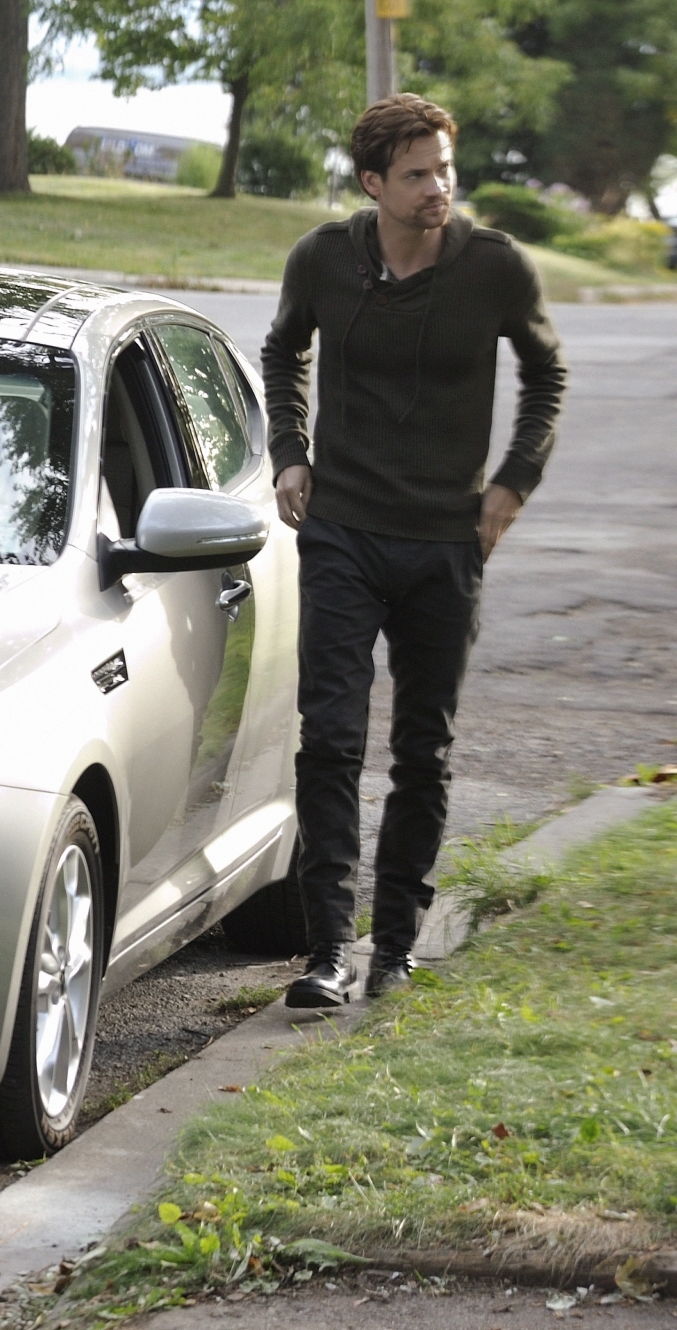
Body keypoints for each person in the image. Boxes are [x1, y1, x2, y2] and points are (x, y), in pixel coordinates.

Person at [262, 94, 567, 1007]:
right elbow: (283, 354)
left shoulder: (492, 267)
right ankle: (325, 952)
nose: (440, 188)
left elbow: (547, 372)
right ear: (373, 183)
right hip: (344, 534)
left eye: (445, 169)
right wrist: (290, 455)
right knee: (332, 742)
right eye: (418, 174)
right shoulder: (324, 258)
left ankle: (394, 945)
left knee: (423, 753)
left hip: (445, 542)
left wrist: (513, 482)